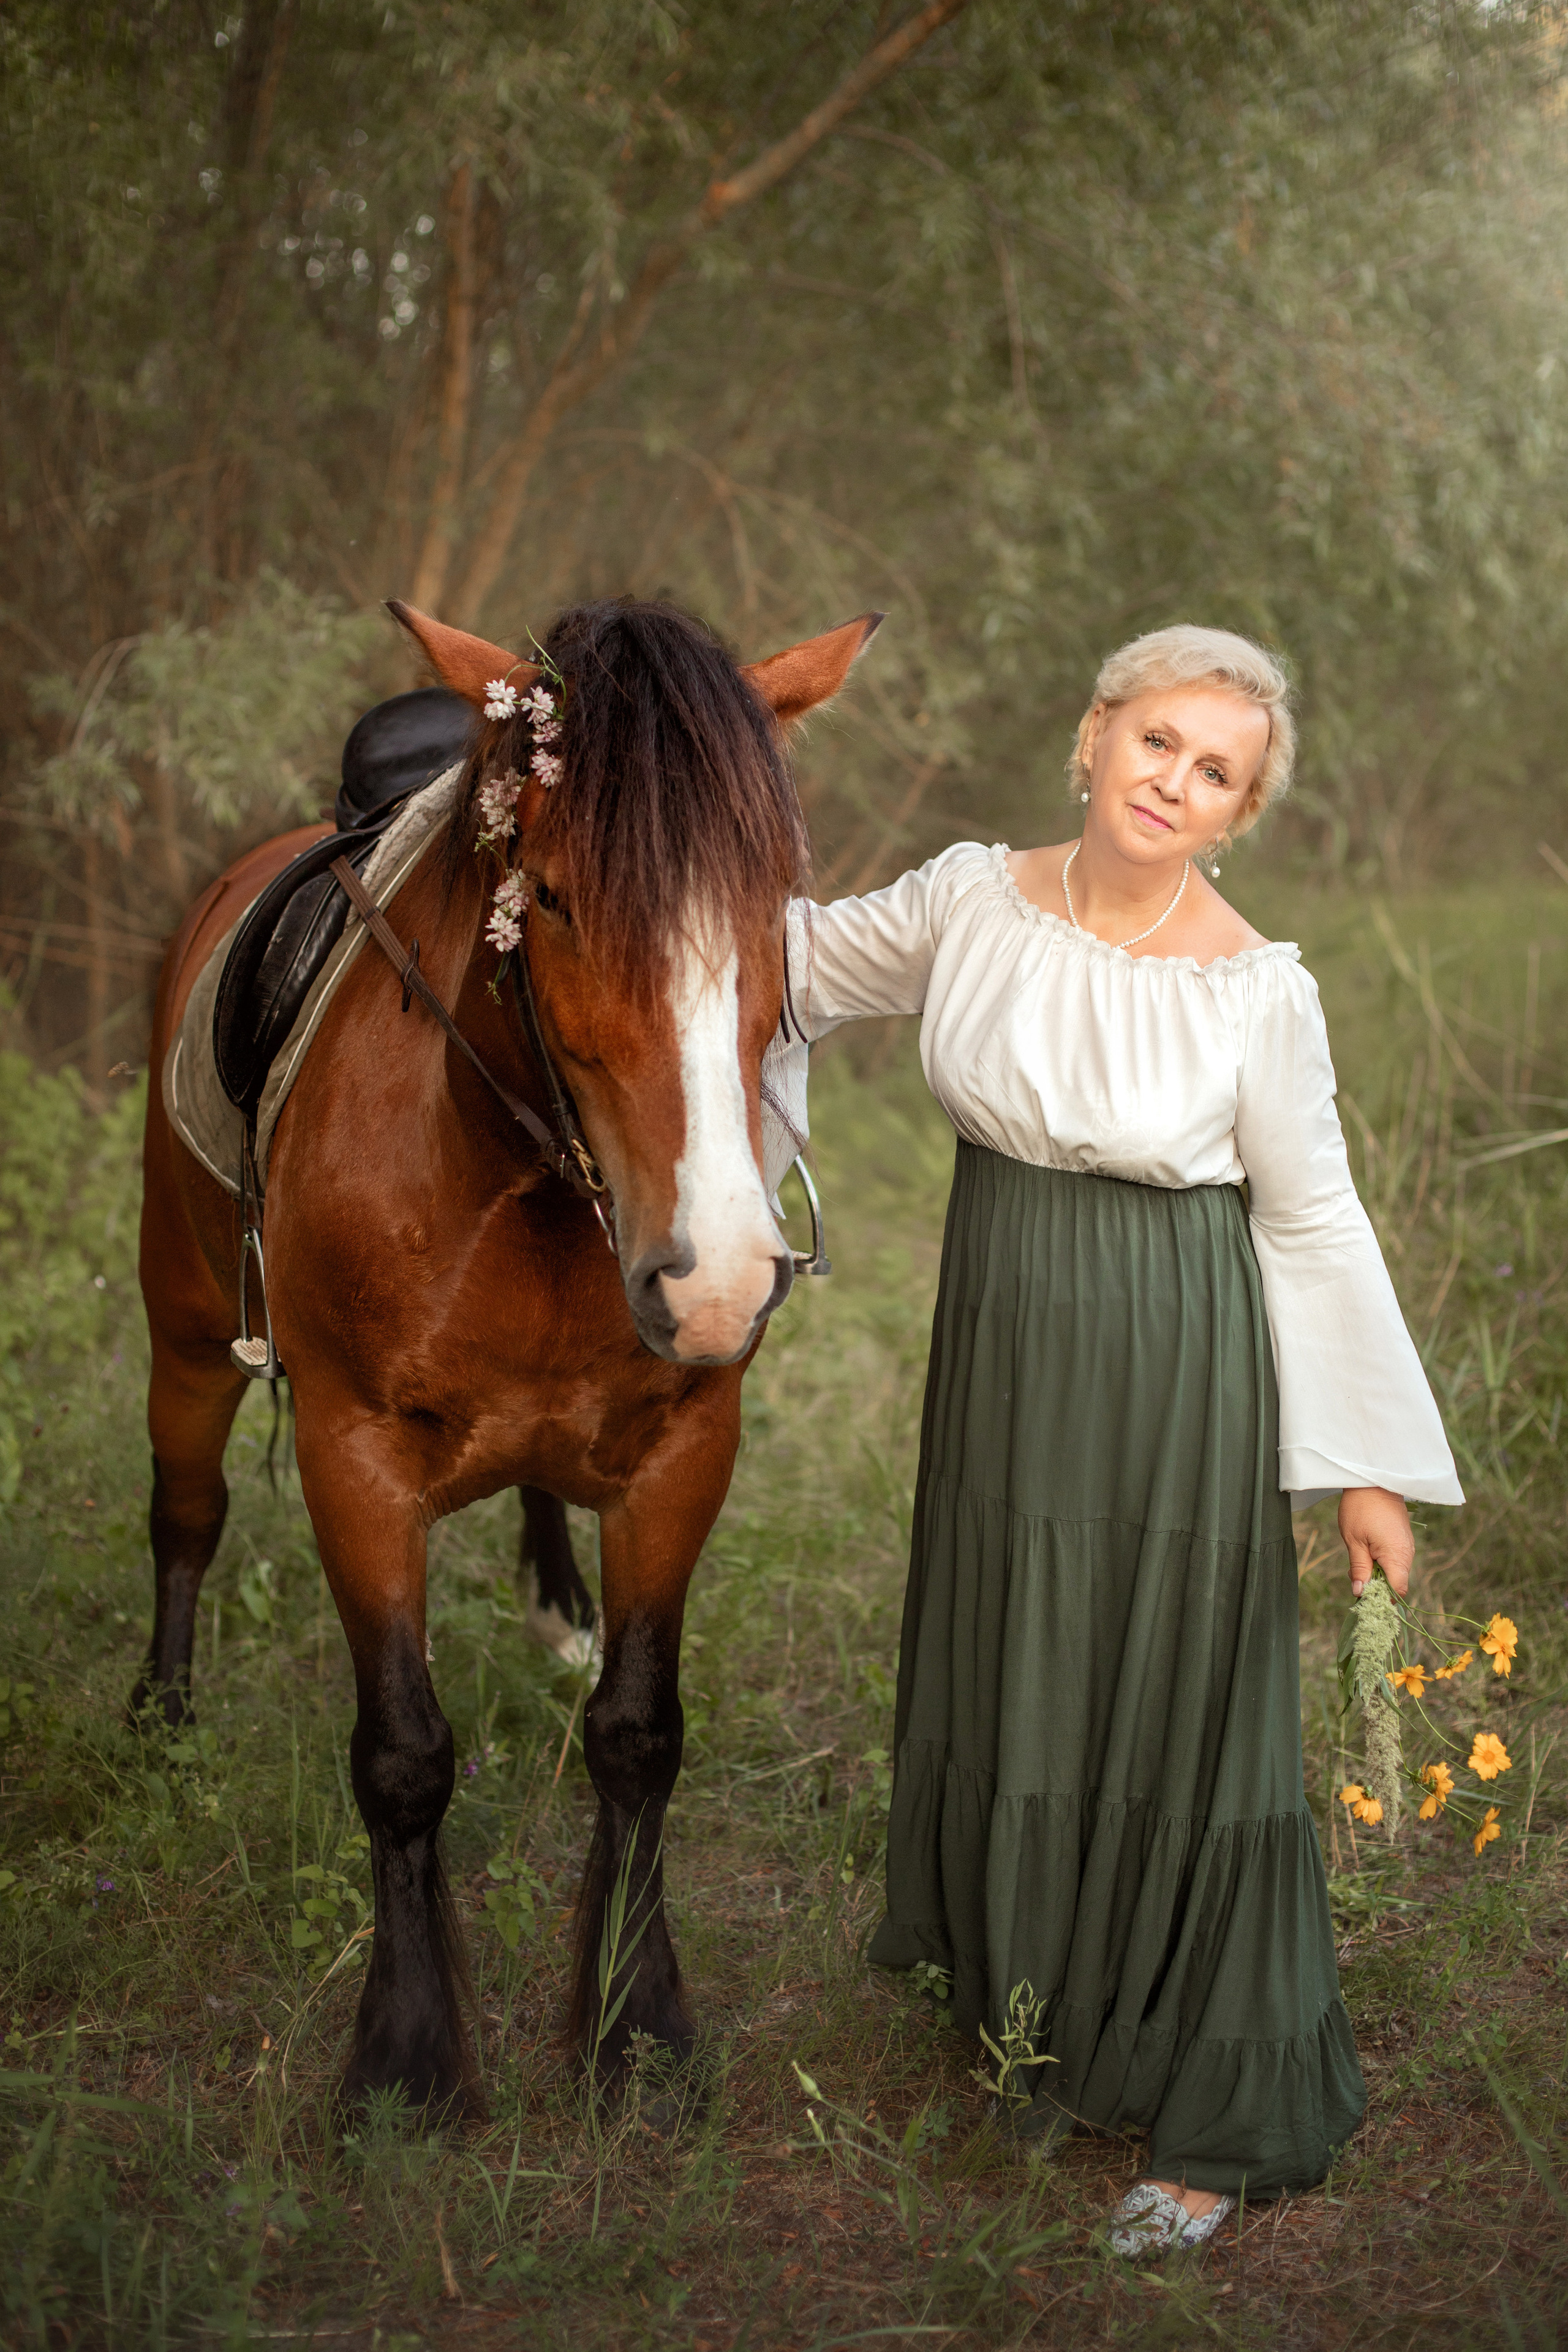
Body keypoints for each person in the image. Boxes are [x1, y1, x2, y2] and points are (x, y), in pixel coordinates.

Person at [786, 625, 1461, 2255]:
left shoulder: (1255, 987)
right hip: (1005, 1346)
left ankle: (1214, 2120)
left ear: (1239, 814)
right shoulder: (966, 899)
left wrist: (1365, 1465)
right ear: (1092, 738)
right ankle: (1038, 2016)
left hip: (1175, 1368)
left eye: (1216, 771)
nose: (1177, 780)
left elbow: (1311, 1225)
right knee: (1029, 1655)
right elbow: (779, 964)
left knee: (1178, 1700)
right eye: (1159, 741)